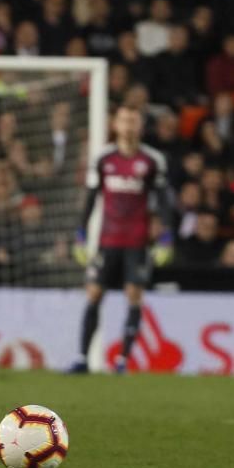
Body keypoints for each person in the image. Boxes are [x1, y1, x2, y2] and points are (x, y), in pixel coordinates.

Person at [70, 106, 172, 375]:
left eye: (133, 120)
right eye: (124, 119)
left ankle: (122, 361)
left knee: (134, 296)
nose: (128, 125)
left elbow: (163, 202)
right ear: (115, 124)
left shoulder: (152, 160)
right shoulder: (104, 158)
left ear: (140, 125)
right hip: (108, 239)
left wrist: (166, 236)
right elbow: (91, 197)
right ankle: (82, 358)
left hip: (137, 241)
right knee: (94, 293)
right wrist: (80, 233)